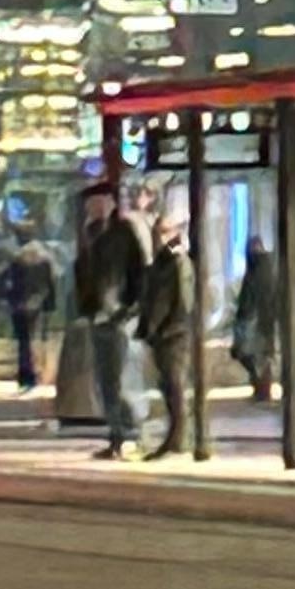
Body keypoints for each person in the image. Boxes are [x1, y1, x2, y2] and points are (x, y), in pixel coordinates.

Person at [72, 186, 147, 457]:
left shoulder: (123, 233)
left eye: (100, 202)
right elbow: (83, 274)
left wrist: (128, 309)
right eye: (91, 203)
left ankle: (131, 433)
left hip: (118, 317)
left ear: (112, 204)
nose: (94, 208)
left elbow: (138, 273)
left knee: (120, 378)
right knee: (106, 381)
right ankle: (116, 435)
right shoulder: (88, 234)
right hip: (98, 316)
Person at [137, 210, 196, 460]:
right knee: (169, 387)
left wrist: (167, 327)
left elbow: (182, 301)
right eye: (156, 232)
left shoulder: (176, 260)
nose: (158, 238)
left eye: (163, 232)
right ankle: (175, 437)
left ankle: (179, 439)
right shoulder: (162, 261)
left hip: (174, 334)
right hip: (163, 335)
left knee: (176, 386)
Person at [0, 228, 58, 393]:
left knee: (23, 341)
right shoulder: (44, 257)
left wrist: (4, 298)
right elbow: (51, 282)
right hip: (37, 302)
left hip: (18, 303)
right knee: (35, 338)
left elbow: (4, 279)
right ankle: (36, 371)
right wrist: (50, 304)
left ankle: (26, 373)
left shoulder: (16, 258)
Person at [228, 236, 281, 403]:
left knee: (257, 356)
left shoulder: (262, 268)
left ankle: (263, 391)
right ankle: (260, 389)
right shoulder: (257, 267)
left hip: (257, 320)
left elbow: (260, 297)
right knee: (252, 355)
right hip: (255, 319)